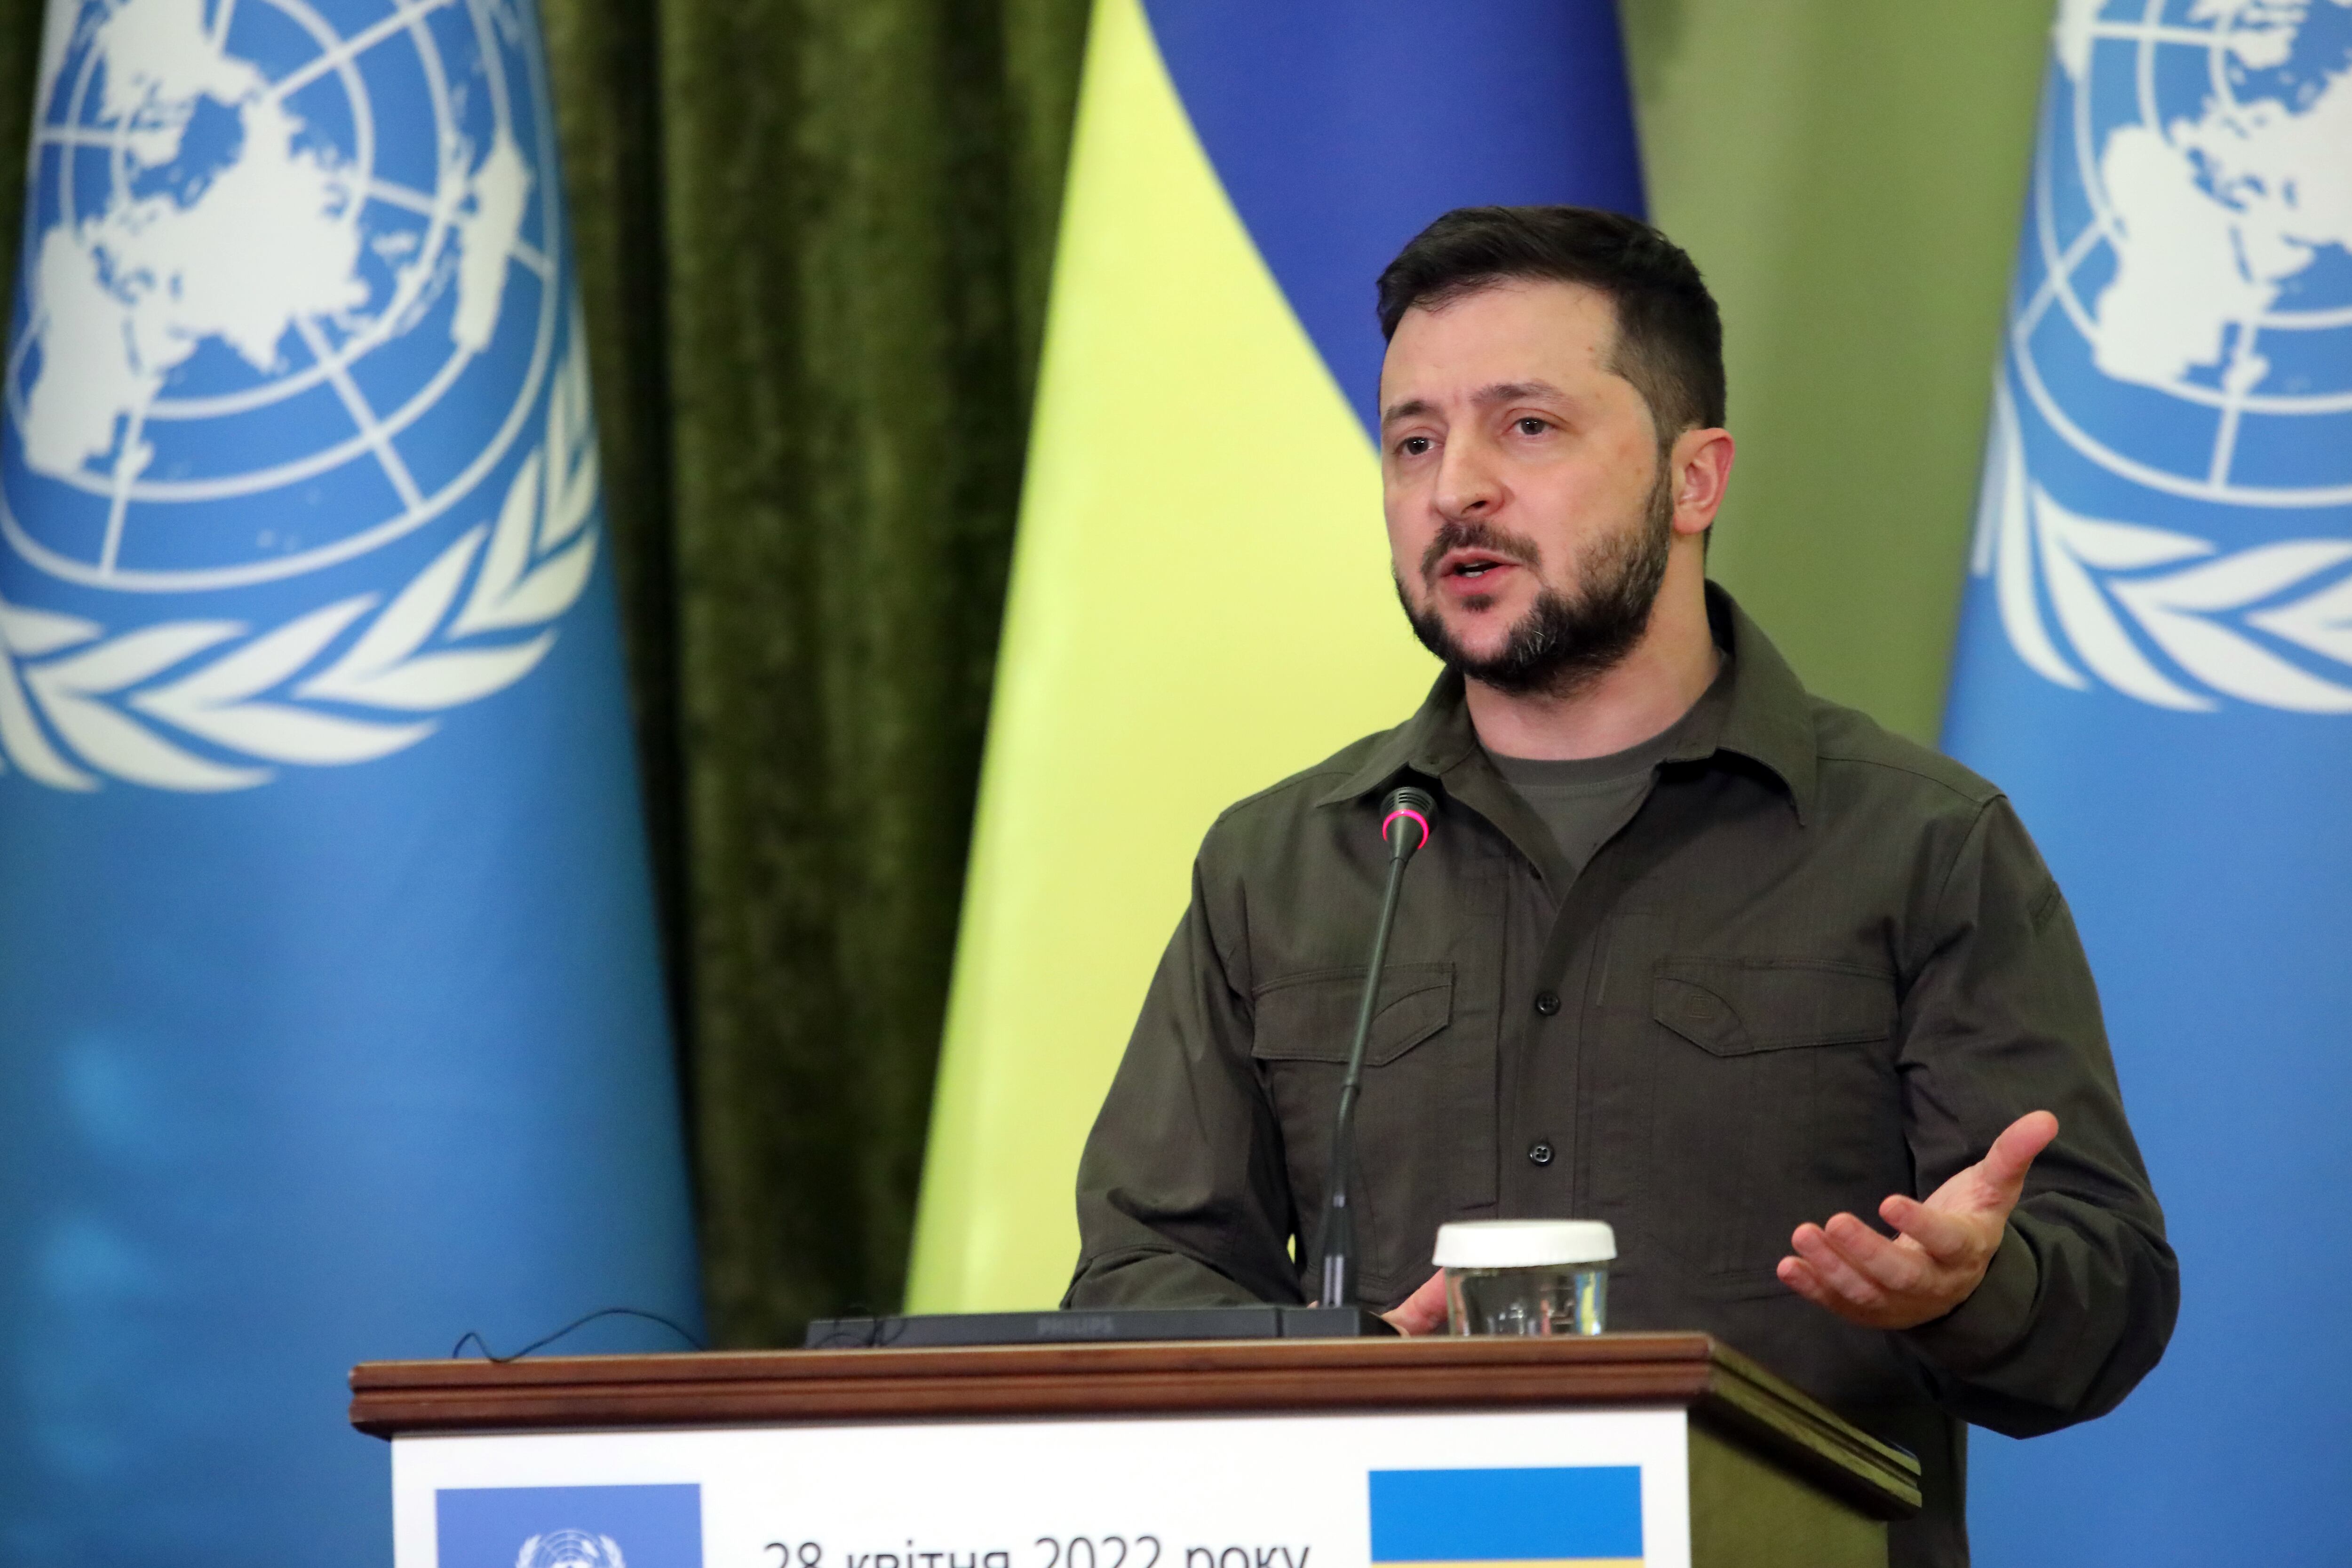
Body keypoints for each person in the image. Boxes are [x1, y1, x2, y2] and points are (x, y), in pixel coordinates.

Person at [1066, 207, 2176, 1568]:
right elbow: (1143, 1274)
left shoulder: (1918, 844)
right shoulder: (1281, 864)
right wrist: (1347, 1361)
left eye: (1525, 427)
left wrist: (1971, 1288)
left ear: (1694, 479)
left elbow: (2107, 1304)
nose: (1454, 488)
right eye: (1414, 441)